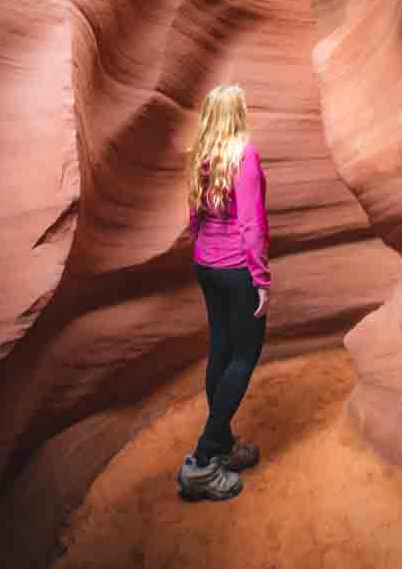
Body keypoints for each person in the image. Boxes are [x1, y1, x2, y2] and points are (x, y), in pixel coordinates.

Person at [176, 84, 271, 501]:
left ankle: (225, 444)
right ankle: (203, 459)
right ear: (238, 114)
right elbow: (251, 224)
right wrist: (261, 279)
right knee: (245, 355)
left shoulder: (201, 156)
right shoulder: (244, 156)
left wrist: (204, 248)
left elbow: (194, 216)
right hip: (236, 268)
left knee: (221, 349)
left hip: (207, 265)